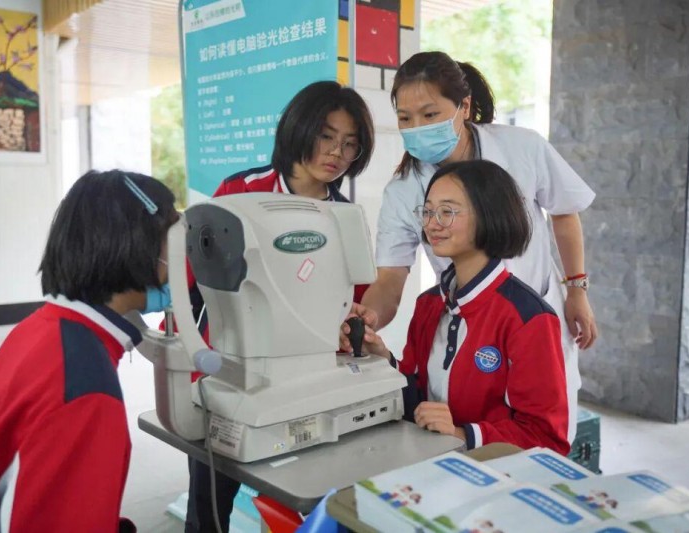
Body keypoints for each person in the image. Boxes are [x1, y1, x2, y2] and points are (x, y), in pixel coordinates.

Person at [349, 51, 597, 442]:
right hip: (466, 321)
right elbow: (391, 279)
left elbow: (565, 212)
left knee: (529, 434)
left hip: (530, 318)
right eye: (405, 118)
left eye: (430, 115)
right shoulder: (429, 299)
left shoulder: (521, 148)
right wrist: (367, 321)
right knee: (457, 418)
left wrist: (577, 289)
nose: (416, 128)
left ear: (464, 107)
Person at [0, 170, 179, 532]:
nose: (181, 256)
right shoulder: (85, 390)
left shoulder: (43, 330)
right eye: (172, 238)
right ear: (138, 243)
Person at [184, 80, 375, 533]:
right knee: (209, 500)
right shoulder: (239, 188)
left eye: (350, 145)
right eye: (326, 136)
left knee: (302, 491)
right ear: (299, 128)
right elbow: (198, 283)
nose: (336, 154)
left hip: (305, 382)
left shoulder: (346, 216)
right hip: (228, 374)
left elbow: (351, 305)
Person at [362, 160, 570, 455]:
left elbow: (547, 437)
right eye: (428, 211)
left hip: (492, 479)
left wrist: (464, 434)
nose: (433, 223)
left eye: (447, 212)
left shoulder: (528, 317)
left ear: (489, 215)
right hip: (429, 463)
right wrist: (383, 359)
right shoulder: (429, 305)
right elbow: (418, 398)